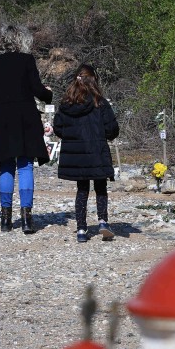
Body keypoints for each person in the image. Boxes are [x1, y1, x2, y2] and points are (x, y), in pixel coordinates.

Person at [0, 25, 53, 234]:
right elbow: (37, 89)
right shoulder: (26, 61)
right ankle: (27, 219)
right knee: (25, 165)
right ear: (21, 40)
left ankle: (5, 219)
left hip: (1, 119)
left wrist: (0, 105)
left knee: (6, 166)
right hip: (25, 117)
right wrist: (48, 95)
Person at [53, 64, 120, 243]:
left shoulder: (66, 104)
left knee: (82, 190)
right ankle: (103, 222)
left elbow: (58, 127)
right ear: (93, 80)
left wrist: (71, 137)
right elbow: (112, 128)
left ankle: (81, 229)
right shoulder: (100, 102)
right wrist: (101, 135)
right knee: (100, 188)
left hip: (77, 155)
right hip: (96, 150)